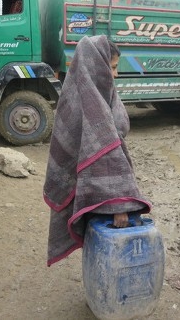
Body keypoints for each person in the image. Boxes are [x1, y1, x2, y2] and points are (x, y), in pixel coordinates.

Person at [43, 35, 151, 267]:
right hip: (103, 197)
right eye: (112, 67)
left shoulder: (101, 92)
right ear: (97, 65)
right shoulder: (88, 100)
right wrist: (118, 207)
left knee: (102, 251)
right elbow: (105, 156)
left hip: (100, 189)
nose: (116, 74)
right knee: (111, 257)